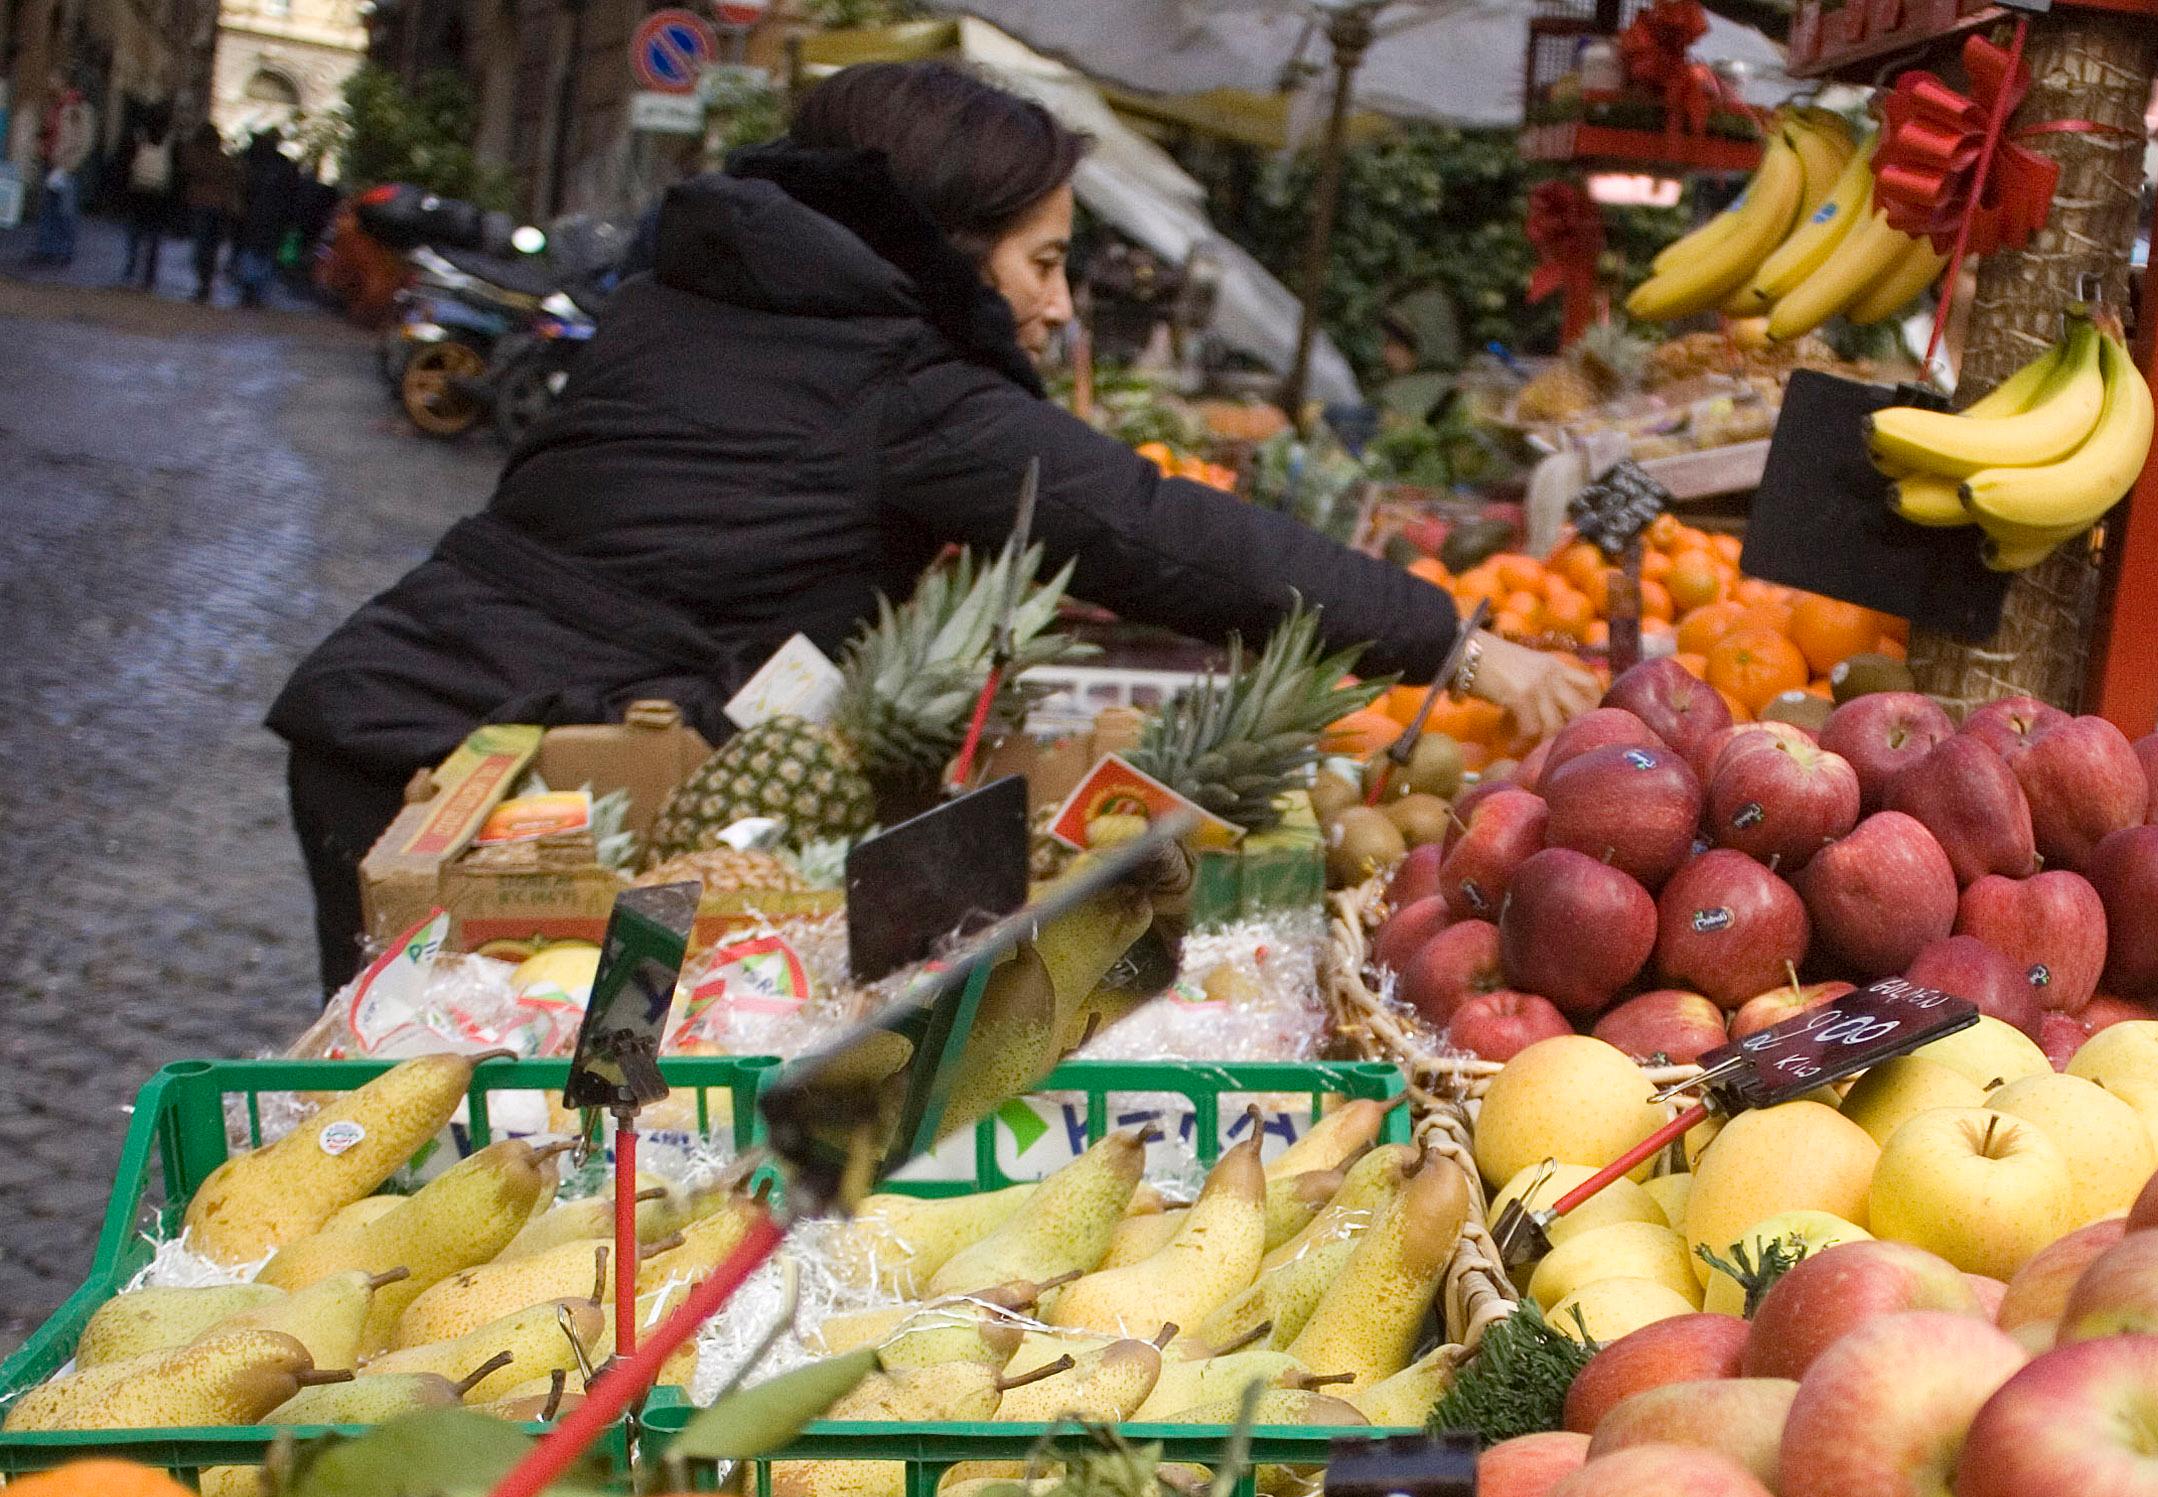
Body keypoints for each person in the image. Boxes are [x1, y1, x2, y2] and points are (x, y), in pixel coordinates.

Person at [267, 61, 1595, 990]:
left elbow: (748, 527)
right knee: (475, 1167)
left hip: (438, 724)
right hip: (468, 777)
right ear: (947, 247)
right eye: (1044, 260)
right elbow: (1152, 526)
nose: (1063, 306)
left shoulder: (728, 300)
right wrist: (1461, 644)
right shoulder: (891, 378)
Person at [29, 86, 94, 266]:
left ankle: (65, 250)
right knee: (47, 208)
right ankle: (46, 248)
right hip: (49, 162)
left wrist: (71, 163)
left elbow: (85, 140)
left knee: (66, 210)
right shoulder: (52, 105)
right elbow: (44, 129)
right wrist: (39, 146)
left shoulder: (80, 107)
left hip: (67, 166)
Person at [229, 130, 295, 306]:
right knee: (265, 253)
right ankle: (255, 289)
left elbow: (243, 186)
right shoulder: (283, 164)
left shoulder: (254, 160)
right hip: (271, 216)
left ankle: (249, 288)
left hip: (255, 215)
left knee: (252, 250)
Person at [117, 111, 176, 288]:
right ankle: (149, 274)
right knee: (154, 237)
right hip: (159, 193)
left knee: (134, 233)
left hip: (138, 190)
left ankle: (130, 268)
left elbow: (125, 162)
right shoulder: (170, 140)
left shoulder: (139, 137)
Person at [177, 121, 234, 300]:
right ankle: (206, 282)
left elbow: (187, 170)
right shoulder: (222, 159)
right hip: (217, 205)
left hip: (200, 204)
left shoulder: (195, 155)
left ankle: (203, 283)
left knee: (201, 245)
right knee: (210, 246)